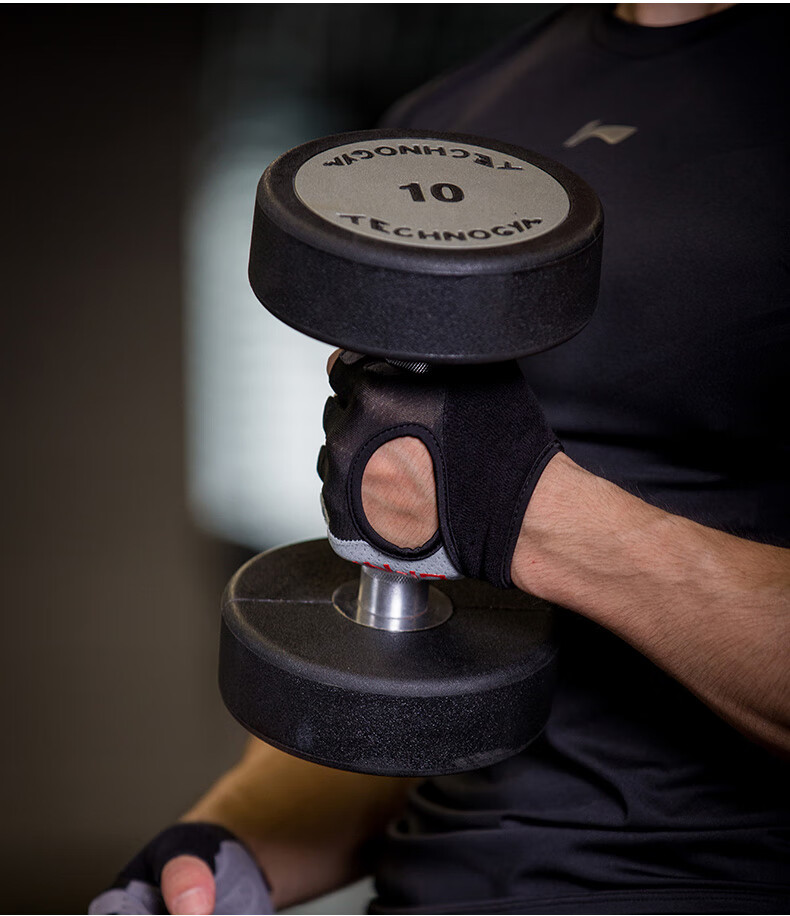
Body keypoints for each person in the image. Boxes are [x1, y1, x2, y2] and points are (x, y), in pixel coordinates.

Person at [91, 4, 789, 914]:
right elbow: (425, 675)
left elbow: (487, 498)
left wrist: (522, 509)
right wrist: (232, 846)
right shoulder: (456, 115)